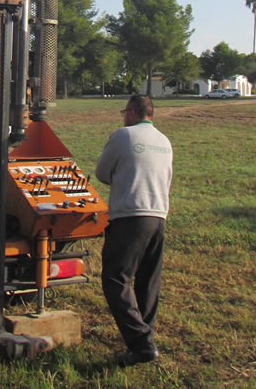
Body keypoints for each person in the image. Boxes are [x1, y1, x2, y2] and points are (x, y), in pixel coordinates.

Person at [95, 95, 173, 367]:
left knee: (116, 278)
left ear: (130, 113)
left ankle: (141, 343)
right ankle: (145, 339)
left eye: (123, 112)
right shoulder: (164, 141)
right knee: (148, 281)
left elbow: (102, 173)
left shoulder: (122, 136)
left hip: (130, 216)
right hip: (158, 216)